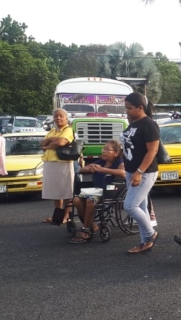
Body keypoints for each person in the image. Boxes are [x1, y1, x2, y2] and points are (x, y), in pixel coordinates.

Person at [121, 92, 160, 254]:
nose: (127, 111)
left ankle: (151, 234)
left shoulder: (148, 125)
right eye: (126, 108)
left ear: (140, 107)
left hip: (144, 172)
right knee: (141, 207)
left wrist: (139, 172)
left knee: (130, 206)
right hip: (131, 171)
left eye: (129, 108)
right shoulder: (134, 123)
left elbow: (152, 151)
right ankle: (145, 241)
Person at [68, 140, 125, 244]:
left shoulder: (119, 162)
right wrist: (91, 168)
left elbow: (123, 173)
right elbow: (81, 170)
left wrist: (104, 170)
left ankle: (86, 229)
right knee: (76, 200)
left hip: (109, 192)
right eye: (103, 149)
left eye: (107, 149)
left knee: (90, 201)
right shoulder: (101, 162)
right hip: (95, 191)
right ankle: (92, 224)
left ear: (116, 153)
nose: (103, 151)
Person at [41, 109, 75, 224]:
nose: (58, 118)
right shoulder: (52, 131)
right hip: (51, 163)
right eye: (56, 116)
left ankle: (66, 215)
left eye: (61, 116)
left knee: (66, 191)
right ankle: (57, 216)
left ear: (66, 118)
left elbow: (61, 143)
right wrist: (51, 140)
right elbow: (42, 144)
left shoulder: (68, 130)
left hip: (63, 163)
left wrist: (48, 144)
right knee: (56, 192)